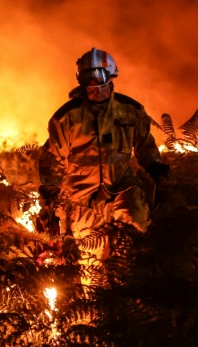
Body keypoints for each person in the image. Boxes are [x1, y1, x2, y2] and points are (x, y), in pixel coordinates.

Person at [37, 48, 170, 279]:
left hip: (122, 188)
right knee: (92, 263)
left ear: (111, 77)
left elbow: (146, 147)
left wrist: (158, 175)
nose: (94, 86)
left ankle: (133, 297)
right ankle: (96, 310)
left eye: (99, 78)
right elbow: (52, 162)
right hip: (81, 196)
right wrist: (50, 205)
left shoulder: (130, 111)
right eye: (88, 80)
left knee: (134, 237)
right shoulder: (66, 118)